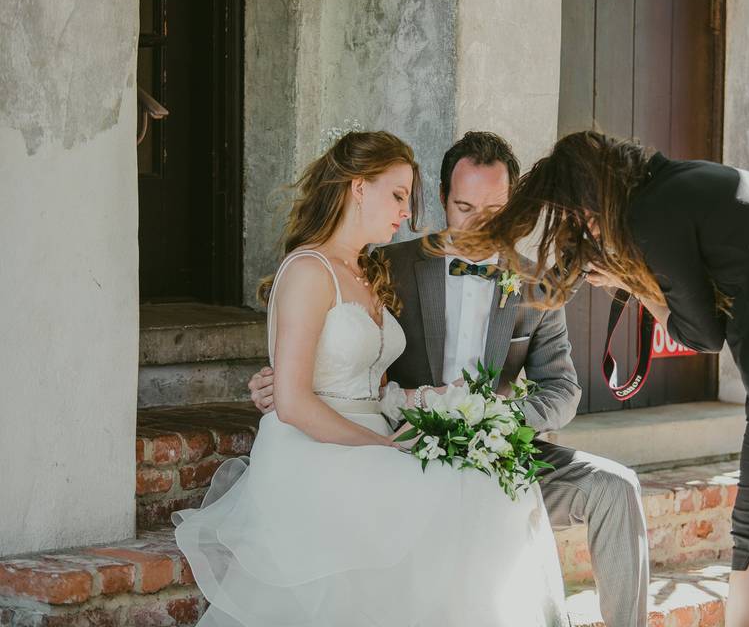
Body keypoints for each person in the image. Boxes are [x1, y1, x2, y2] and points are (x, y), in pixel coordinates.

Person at [447, 130, 749, 627]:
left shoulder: (652, 215)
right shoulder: (685, 181)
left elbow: (701, 334)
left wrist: (632, 283)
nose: (585, 229)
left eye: (581, 216)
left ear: (593, 199)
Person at [250, 131, 652, 627]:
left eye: (494, 210)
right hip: (409, 448)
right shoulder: (384, 267)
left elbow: (563, 389)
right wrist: (280, 380)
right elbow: (341, 351)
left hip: (500, 450)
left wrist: (493, 420)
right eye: (463, 206)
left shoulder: (538, 285)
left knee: (616, 486)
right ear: (442, 199)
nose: (479, 223)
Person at [173, 131, 567, 627]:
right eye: (399, 196)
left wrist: (447, 405)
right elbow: (295, 401)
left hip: (369, 438)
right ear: (358, 188)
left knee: (482, 495)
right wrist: (378, 445)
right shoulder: (310, 269)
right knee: (462, 502)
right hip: (314, 453)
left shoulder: (368, 273)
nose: (407, 213)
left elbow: (369, 385)